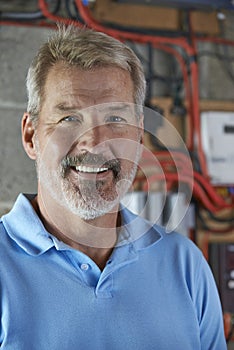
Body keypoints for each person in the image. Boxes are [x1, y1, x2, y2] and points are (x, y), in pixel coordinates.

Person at [0, 25, 226, 349]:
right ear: (30, 135)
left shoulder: (186, 267)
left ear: (138, 135)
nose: (94, 142)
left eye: (116, 119)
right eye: (69, 119)